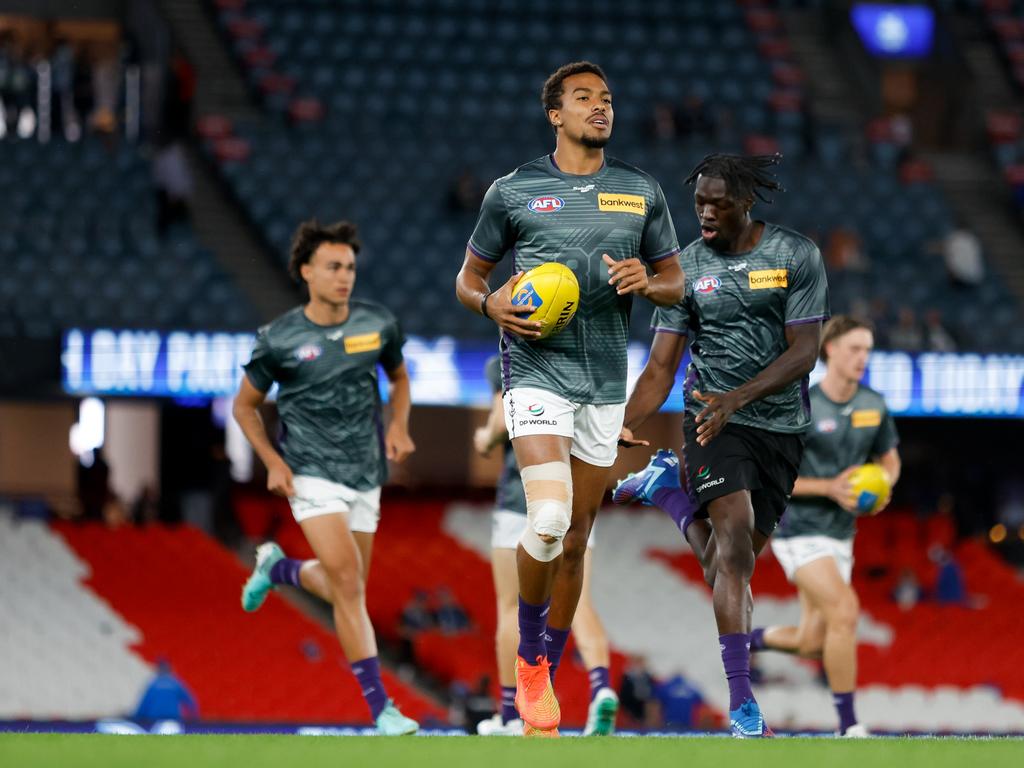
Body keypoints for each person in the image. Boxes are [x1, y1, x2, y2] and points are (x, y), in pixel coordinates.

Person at [454, 61, 684, 737]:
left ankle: (546, 675)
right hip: (534, 374)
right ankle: (530, 666)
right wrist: (489, 302)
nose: (600, 107)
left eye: (607, 98)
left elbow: (677, 282)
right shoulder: (514, 191)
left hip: (605, 386)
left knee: (577, 542)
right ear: (554, 114)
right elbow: (468, 280)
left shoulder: (639, 192)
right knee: (549, 518)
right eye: (584, 98)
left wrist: (651, 278)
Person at [612, 153, 828, 737]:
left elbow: (806, 351)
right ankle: (743, 705)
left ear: (746, 202)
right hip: (712, 419)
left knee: (728, 564)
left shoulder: (795, 255)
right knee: (732, 548)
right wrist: (623, 421)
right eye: (699, 201)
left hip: (780, 428)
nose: (705, 211)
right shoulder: (684, 269)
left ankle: (670, 495)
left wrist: (744, 396)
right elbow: (661, 367)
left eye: (718, 202)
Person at [233, 219, 419, 735]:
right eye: (334, 267)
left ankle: (279, 570)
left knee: (348, 586)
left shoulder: (377, 324)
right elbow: (245, 407)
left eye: (351, 268)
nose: (345, 276)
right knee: (348, 585)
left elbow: (400, 377)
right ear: (306, 271)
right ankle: (382, 707)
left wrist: (400, 424)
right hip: (310, 472)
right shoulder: (279, 339)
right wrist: (273, 461)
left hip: (366, 472)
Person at [747, 315, 901, 737]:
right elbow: (775, 475)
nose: (862, 358)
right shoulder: (802, 403)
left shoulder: (873, 405)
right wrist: (829, 487)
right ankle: (849, 726)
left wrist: (883, 484)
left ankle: (745, 641)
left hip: (841, 535)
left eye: (867, 350)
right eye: (854, 349)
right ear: (829, 349)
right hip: (799, 529)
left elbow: (889, 459)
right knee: (845, 611)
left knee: (814, 641)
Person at [473, 356, 619, 737]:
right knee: (579, 601)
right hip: (578, 495)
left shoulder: (509, 357)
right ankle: (601, 685)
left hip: (519, 496)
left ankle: (509, 711)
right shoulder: (584, 357)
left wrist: (484, 438)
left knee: (510, 606)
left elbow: (501, 419)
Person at [134, 659, 199, 721]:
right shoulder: (175, 683)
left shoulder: (153, 684)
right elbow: (190, 703)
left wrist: (136, 718)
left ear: (158, 669)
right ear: (169, 669)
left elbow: (143, 706)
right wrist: (194, 718)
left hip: (154, 720)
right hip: (172, 719)